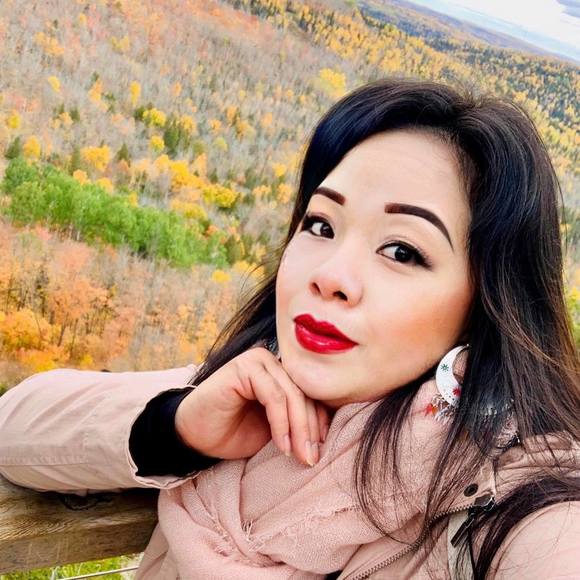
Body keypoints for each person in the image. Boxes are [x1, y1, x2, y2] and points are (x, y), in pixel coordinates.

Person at [0, 78, 578, 579]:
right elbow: (15, 427)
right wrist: (179, 426)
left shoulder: (515, 503)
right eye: (321, 225)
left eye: (401, 250)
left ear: (488, 302)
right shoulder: (261, 391)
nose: (330, 276)